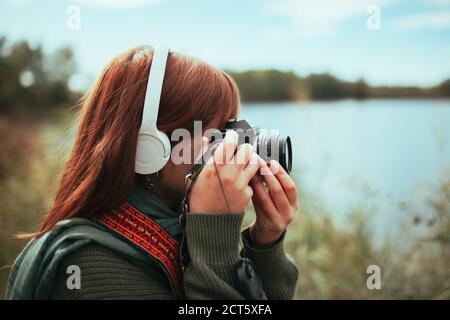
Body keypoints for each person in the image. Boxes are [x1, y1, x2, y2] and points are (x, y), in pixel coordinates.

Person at [6, 46, 299, 300]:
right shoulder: (90, 265)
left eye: (233, 128)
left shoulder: (173, 230)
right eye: (218, 133)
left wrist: (265, 244)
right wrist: (214, 234)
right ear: (149, 145)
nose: (235, 145)